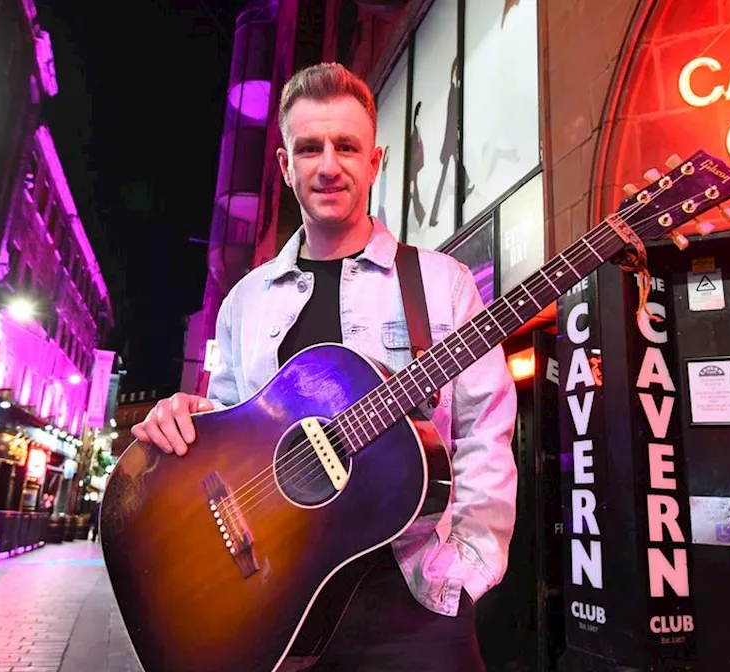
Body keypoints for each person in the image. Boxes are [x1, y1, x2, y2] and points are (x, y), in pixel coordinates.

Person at [130, 63, 518, 671]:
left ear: (375, 160)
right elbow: (225, 430)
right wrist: (181, 419)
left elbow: (484, 437)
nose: (329, 165)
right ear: (286, 165)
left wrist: (463, 573)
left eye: (347, 146)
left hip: (414, 603)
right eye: (309, 148)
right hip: (272, 604)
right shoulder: (246, 301)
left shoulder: (442, 284)